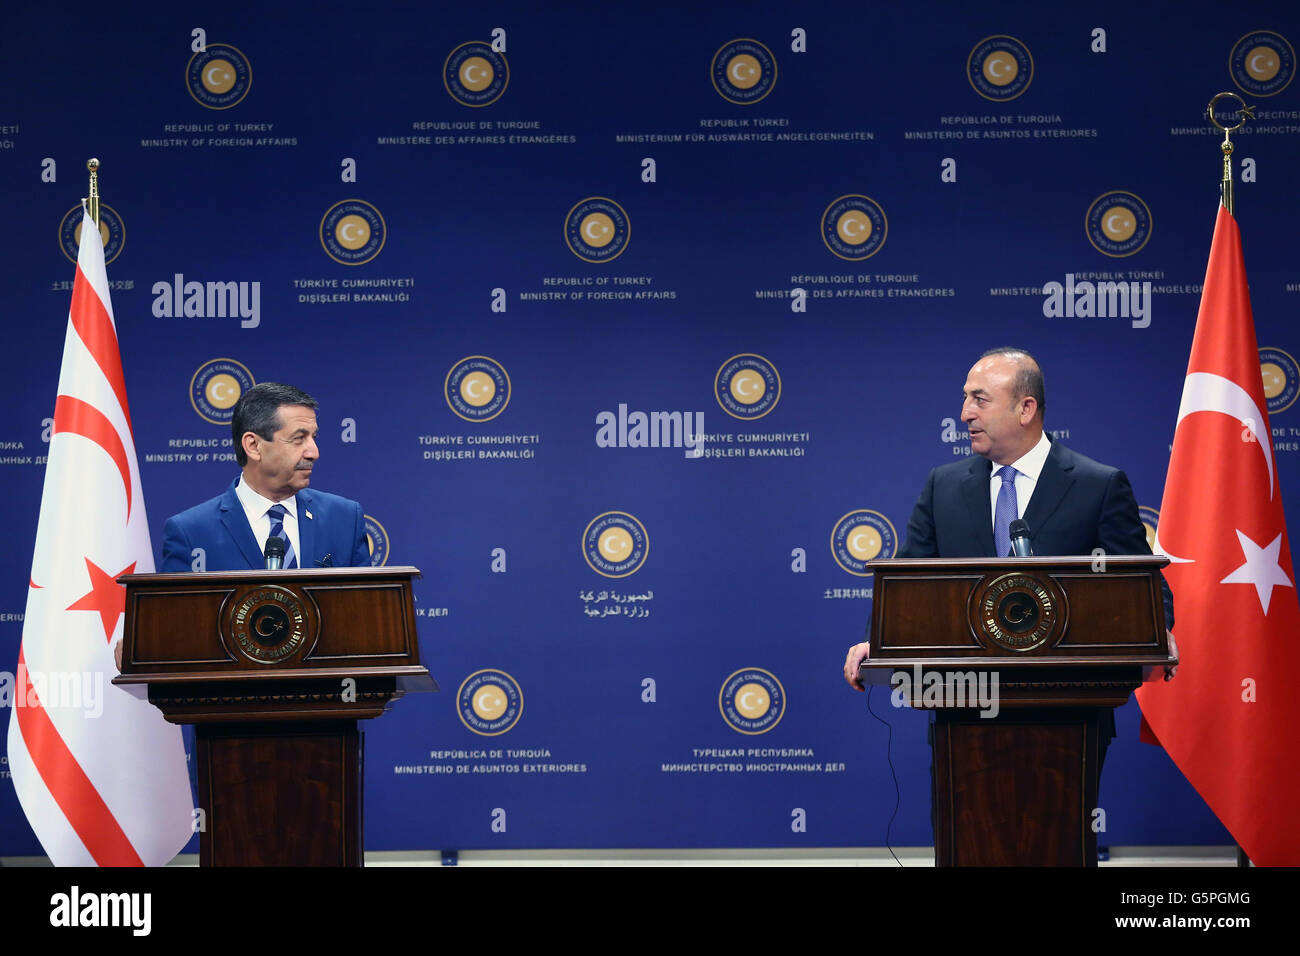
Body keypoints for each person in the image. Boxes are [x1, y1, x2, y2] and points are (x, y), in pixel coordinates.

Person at [842, 347, 1175, 689]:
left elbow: (1142, 581)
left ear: (1025, 409)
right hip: (963, 697)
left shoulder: (1098, 485)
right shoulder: (942, 486)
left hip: (1070, 696)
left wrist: (1155, 627)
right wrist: (878, 642)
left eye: (980, 400)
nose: (964, 413)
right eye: (965, 398)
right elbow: (907, 585)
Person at [160, 382, 370, 573]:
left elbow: (364, 608)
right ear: (253, 446)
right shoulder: (191, 533)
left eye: (313, 438)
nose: (313, 452)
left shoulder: (344, 519)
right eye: (299, 439)